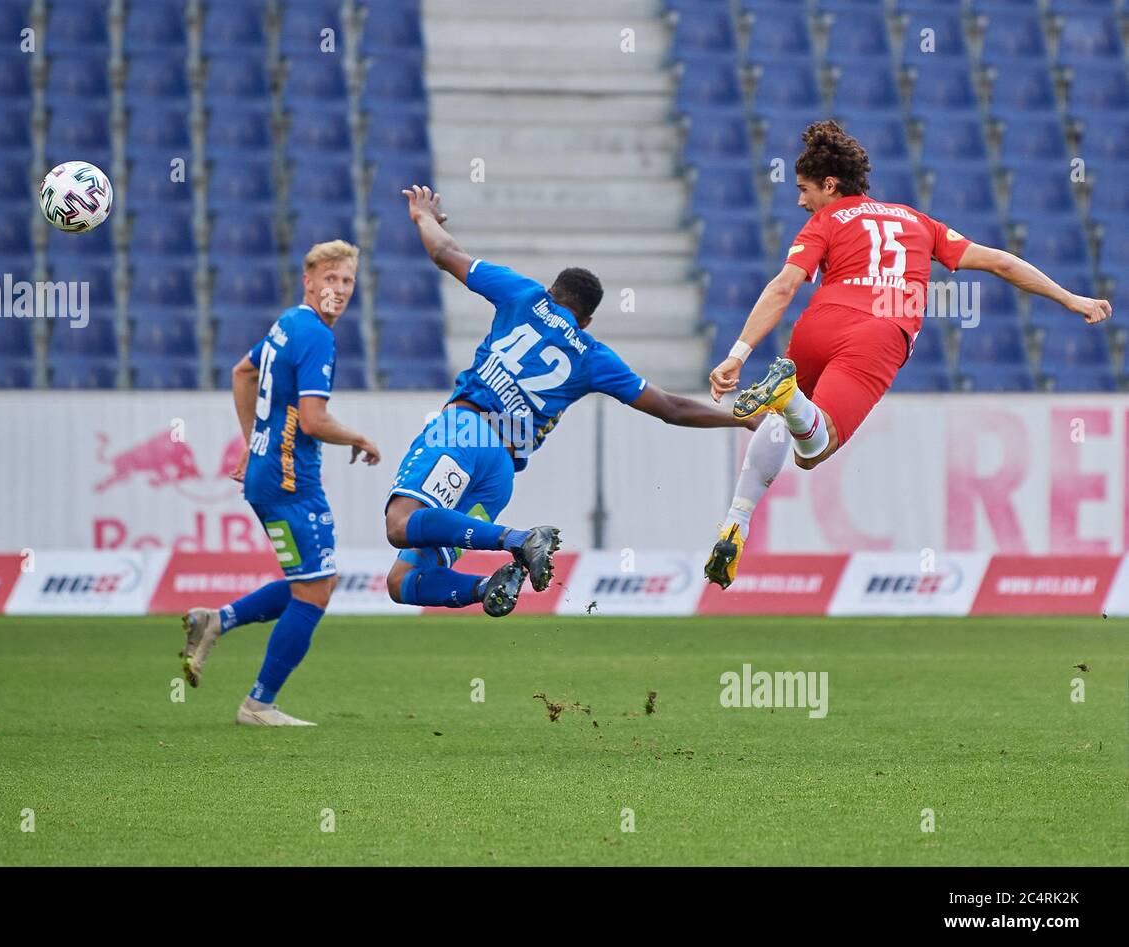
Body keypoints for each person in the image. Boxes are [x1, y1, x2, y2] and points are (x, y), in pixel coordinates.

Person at [704, 120, 1113, 589]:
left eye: (804, 190)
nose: (801, 200)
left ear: (830, 185)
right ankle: (788, 394)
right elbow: (1001, 261)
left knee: (781, 425)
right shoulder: (918, 221)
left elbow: (784, 287)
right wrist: (1070, 298)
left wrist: (738, 353)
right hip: (878, 335)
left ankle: (738, 519)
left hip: (820, 323)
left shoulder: (824, 221)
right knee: (815, 449)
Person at [386, 185, 756, 616]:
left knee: (400, 523)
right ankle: (487, 585)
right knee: (402, 581)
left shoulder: (523, 295)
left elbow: (445, 252)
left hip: (466, 430)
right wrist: (738, 418)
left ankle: (518, 540)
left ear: (552, 291)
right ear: (588, 320)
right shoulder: (593, 356)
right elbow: (671, 409)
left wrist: (422, 216)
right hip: (500, 472)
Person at [181, 240, 381, 726]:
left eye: (347, 280)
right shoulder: (316, 336)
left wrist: (254, 445)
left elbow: (242, 372)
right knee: (315, 592)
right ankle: (258, 704)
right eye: (329, 279)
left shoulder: (289, 322)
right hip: (292, 479)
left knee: (310, 582)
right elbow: (313, 421)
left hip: (270, 473)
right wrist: (358, 437)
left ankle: (218, 620)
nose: (338, 288)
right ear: (308, 282)